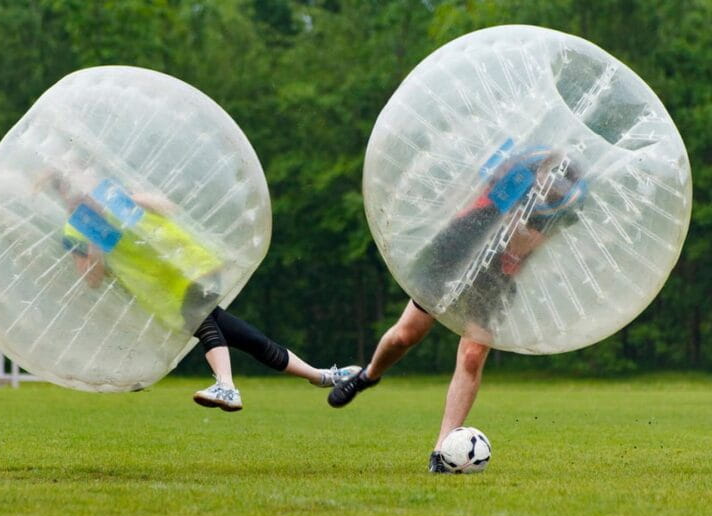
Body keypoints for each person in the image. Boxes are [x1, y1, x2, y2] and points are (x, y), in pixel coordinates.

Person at [328, 143, 586, 471]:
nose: (551, 190)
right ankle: (369, 375)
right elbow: (485, 205)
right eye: (549, 182)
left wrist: (527, 230)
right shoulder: (519, 172)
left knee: (472, 355)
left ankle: (442, 449)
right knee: (407, 334)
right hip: (456, 247)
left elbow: (529, 242)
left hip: (498, 271)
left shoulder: (569, 204)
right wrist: (514, 210)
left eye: (557, 190)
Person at [49, 170, 360, 411]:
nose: (79, 194)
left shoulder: (115, 197)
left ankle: (226, 385)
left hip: (189, 266)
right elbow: (92, 279)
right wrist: (95, 238)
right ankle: (323, 376)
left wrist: (129, 200)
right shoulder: (73, 230)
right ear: (64, 197)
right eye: (71, 193)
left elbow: (167, 208)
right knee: (245, 337)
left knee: (202, 323)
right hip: (161, 292)